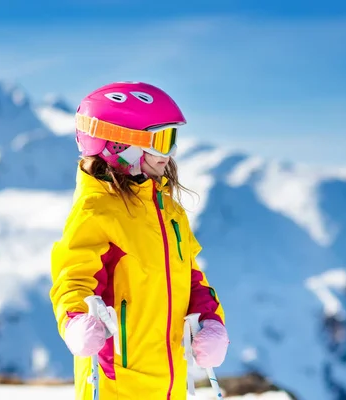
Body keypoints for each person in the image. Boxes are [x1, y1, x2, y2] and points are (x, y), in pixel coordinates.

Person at [49, 82, 229, 400]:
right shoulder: (96, 211)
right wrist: (76, 320)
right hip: (115, 383)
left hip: (171, 382)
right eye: (161, 141)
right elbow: (73, 279)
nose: (169, 154)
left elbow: (191, 278)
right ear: (119, 143)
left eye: (172, 139)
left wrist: (210, 321)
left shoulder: (168, 209)